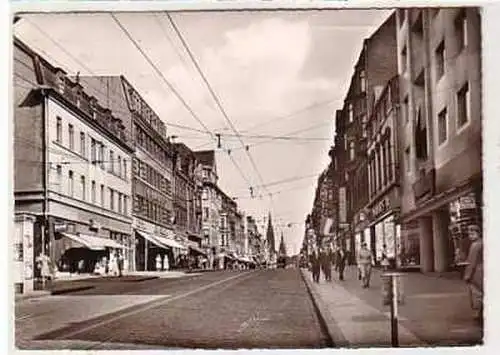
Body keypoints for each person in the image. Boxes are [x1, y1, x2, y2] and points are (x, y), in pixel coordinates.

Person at [463, 224, 483, 324]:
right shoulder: (483, 243)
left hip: (476, 273)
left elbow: (472, 262)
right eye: (469, 234)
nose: (470, 236)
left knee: (477, 294)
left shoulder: (475, 245)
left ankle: (480, 314)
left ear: (478, 233)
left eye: (472, 233)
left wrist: (467, 275)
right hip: (483, 270)